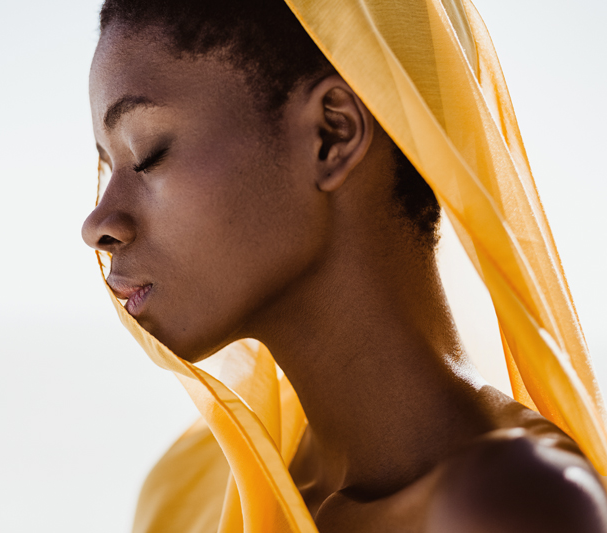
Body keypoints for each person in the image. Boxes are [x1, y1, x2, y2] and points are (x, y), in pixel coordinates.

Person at [82, 0, 607, 531]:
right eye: (106, 166)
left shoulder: (512, 508)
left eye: (146, 152)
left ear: (332, 134)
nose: (97, 223)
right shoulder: (189, 489)